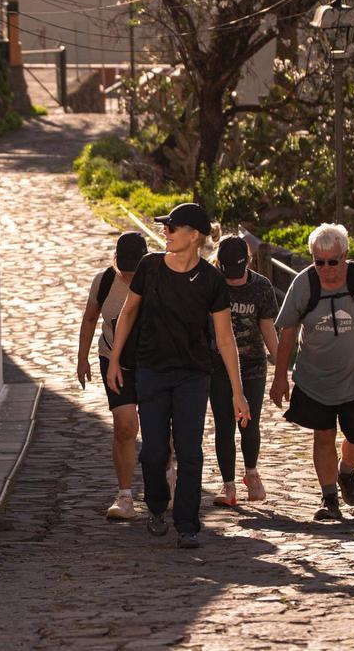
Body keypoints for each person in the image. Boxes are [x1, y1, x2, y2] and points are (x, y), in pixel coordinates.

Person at [107, 203, 251, 549]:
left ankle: (187, 524)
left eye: (172, 228)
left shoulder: (212, 280)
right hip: (151, 371)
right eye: (166, 229)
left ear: (194, 235)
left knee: (190, 451)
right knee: (154, 451)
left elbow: (224, 337)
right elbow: (127, 314)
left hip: (192, 375)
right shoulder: (150, 266)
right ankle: (157, 505)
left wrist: (237, 391)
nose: (166, 234)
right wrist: (114, 361)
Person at [270, 223, 354, 521]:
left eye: (333, 261)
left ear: (345, 255)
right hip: (315, 379)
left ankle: (346, 471)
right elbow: (288, 330)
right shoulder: (304, 284)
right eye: (319, 262)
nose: (326, 268)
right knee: (323, 435)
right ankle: (329, 498)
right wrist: (279, 376)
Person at [77, 231, 149, 519]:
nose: (130, 277)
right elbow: (91, 318)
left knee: (160, 428)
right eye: (125, 270)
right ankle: (125, 496)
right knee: (124, 425)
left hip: (152, 361)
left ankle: (167, 474)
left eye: (136, 271)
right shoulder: (104, 281)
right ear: (116, 260)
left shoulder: (158, 278)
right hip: (113, 360)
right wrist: (82, 359)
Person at [209, 236, 279, 506]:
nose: (234, 280)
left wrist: (283, 368)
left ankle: (251, 473)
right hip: (218, 367)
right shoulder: (211, 283)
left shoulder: (261, 286)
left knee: (249, 422)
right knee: (224, 425)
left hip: (252, 365)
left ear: (247, 264)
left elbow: (267, 328)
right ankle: (228, 486)